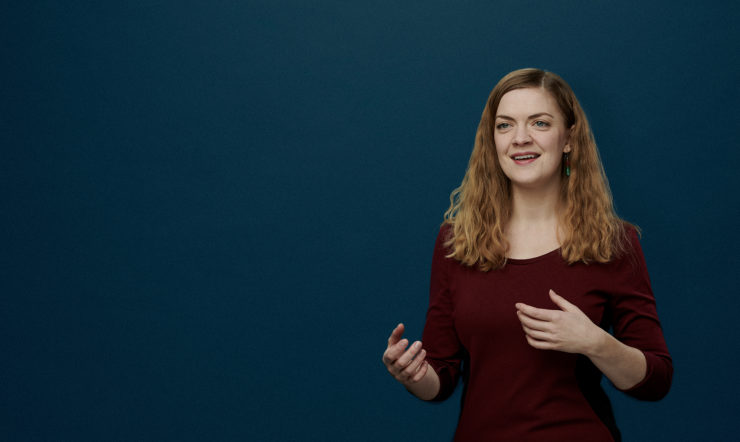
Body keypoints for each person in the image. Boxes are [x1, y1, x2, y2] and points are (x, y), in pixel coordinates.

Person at [381, 68, 672, 441]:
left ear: (568, 139)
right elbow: (442, 376)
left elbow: (656, 381)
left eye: (540, 123)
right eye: (505, 125)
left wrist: (595, 342)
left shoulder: (614, 242)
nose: (520, 138)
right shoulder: (456, 242)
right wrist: (414, 374)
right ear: (492, 141)